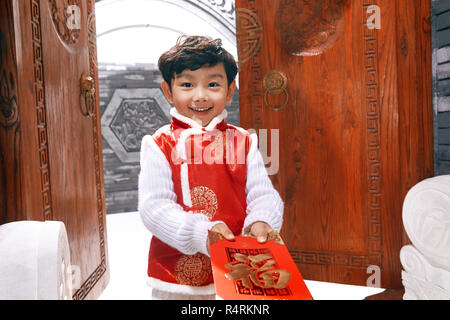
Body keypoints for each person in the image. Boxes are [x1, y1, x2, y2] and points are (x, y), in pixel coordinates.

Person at [138, 35, 284, 300]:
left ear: (230, 90)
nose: (200, 95)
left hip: (242, 262)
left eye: (213, 84)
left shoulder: (243, 141)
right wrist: (200, 233)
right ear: (168, 91)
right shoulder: (159, 144)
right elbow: (154, 208)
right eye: (187, 84)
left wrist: (262, 220)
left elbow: (263, 194)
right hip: (179, 272)